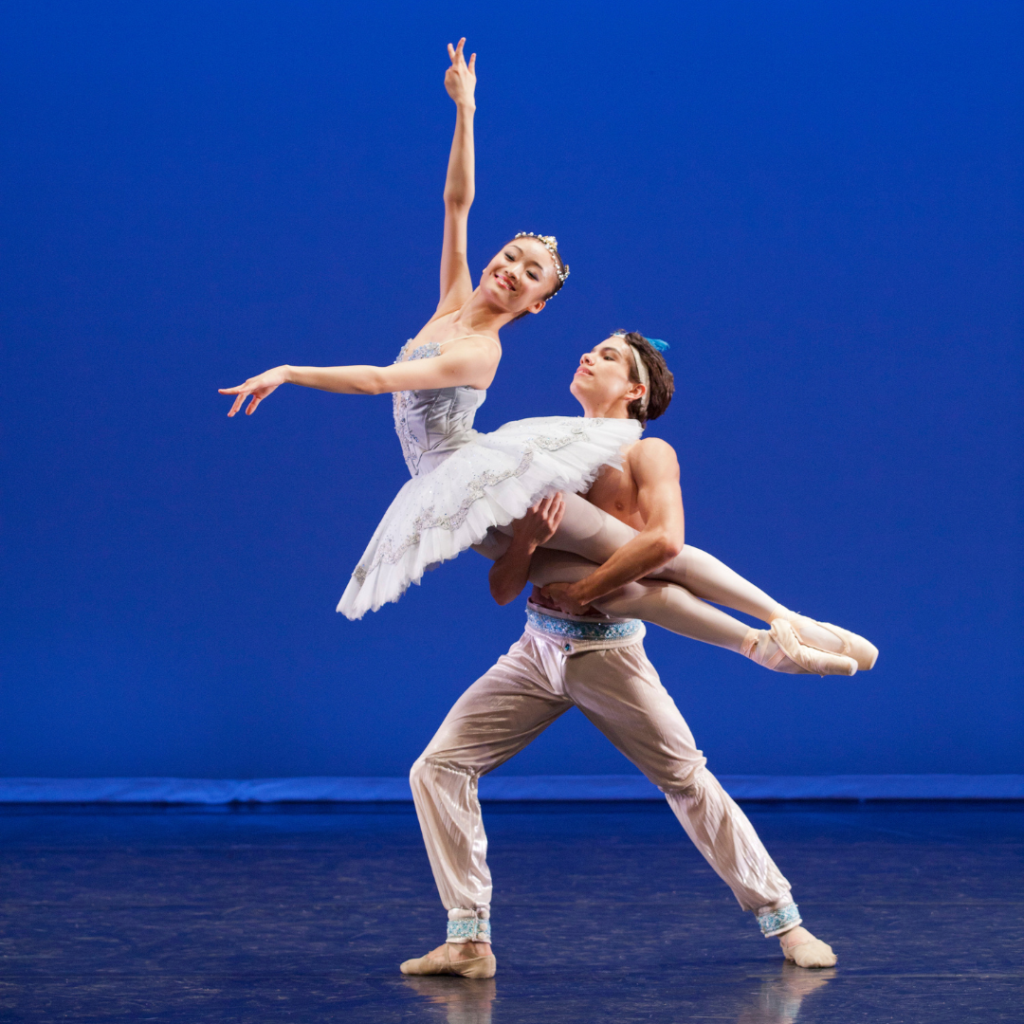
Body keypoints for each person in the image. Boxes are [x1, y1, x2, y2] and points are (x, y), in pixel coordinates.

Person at [219, 40, 876, 677]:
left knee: (641, 557)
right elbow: (456, 203)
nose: (510, 269)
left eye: (530, 273)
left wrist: (289, 372)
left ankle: (784, 623)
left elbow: (382, 379)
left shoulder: (478, 350)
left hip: (484, 479)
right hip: (457, 499)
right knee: (614, 586)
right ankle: (768, 643)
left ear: (536, 303)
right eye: (510, 256)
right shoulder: (452, 302)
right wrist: (466, 112)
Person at [399, 339, 841, 979]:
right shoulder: (543, 456)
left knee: (686, 780)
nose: (588, 358)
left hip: (607, 653)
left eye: (608, 357)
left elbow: (666, 543)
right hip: (536, 645)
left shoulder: (647, 451)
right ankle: (468, 940)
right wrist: (524, 540)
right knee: (436, 768)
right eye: (588, 350)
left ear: (635, 389)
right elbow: (502, 590)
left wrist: (586, 589)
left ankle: (786, 922)